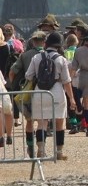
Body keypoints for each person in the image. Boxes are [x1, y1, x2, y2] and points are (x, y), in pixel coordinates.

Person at [25, 31, 76, 160]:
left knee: (42, 123)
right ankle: (59, 152)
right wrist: (72, 99)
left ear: (46, 43)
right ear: (59, 45)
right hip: (57, 91)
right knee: (59, 122)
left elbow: (28, 76)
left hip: (40, 92)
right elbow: (66, 81)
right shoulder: (61, 59)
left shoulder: (37, 57)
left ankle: (41, 150)